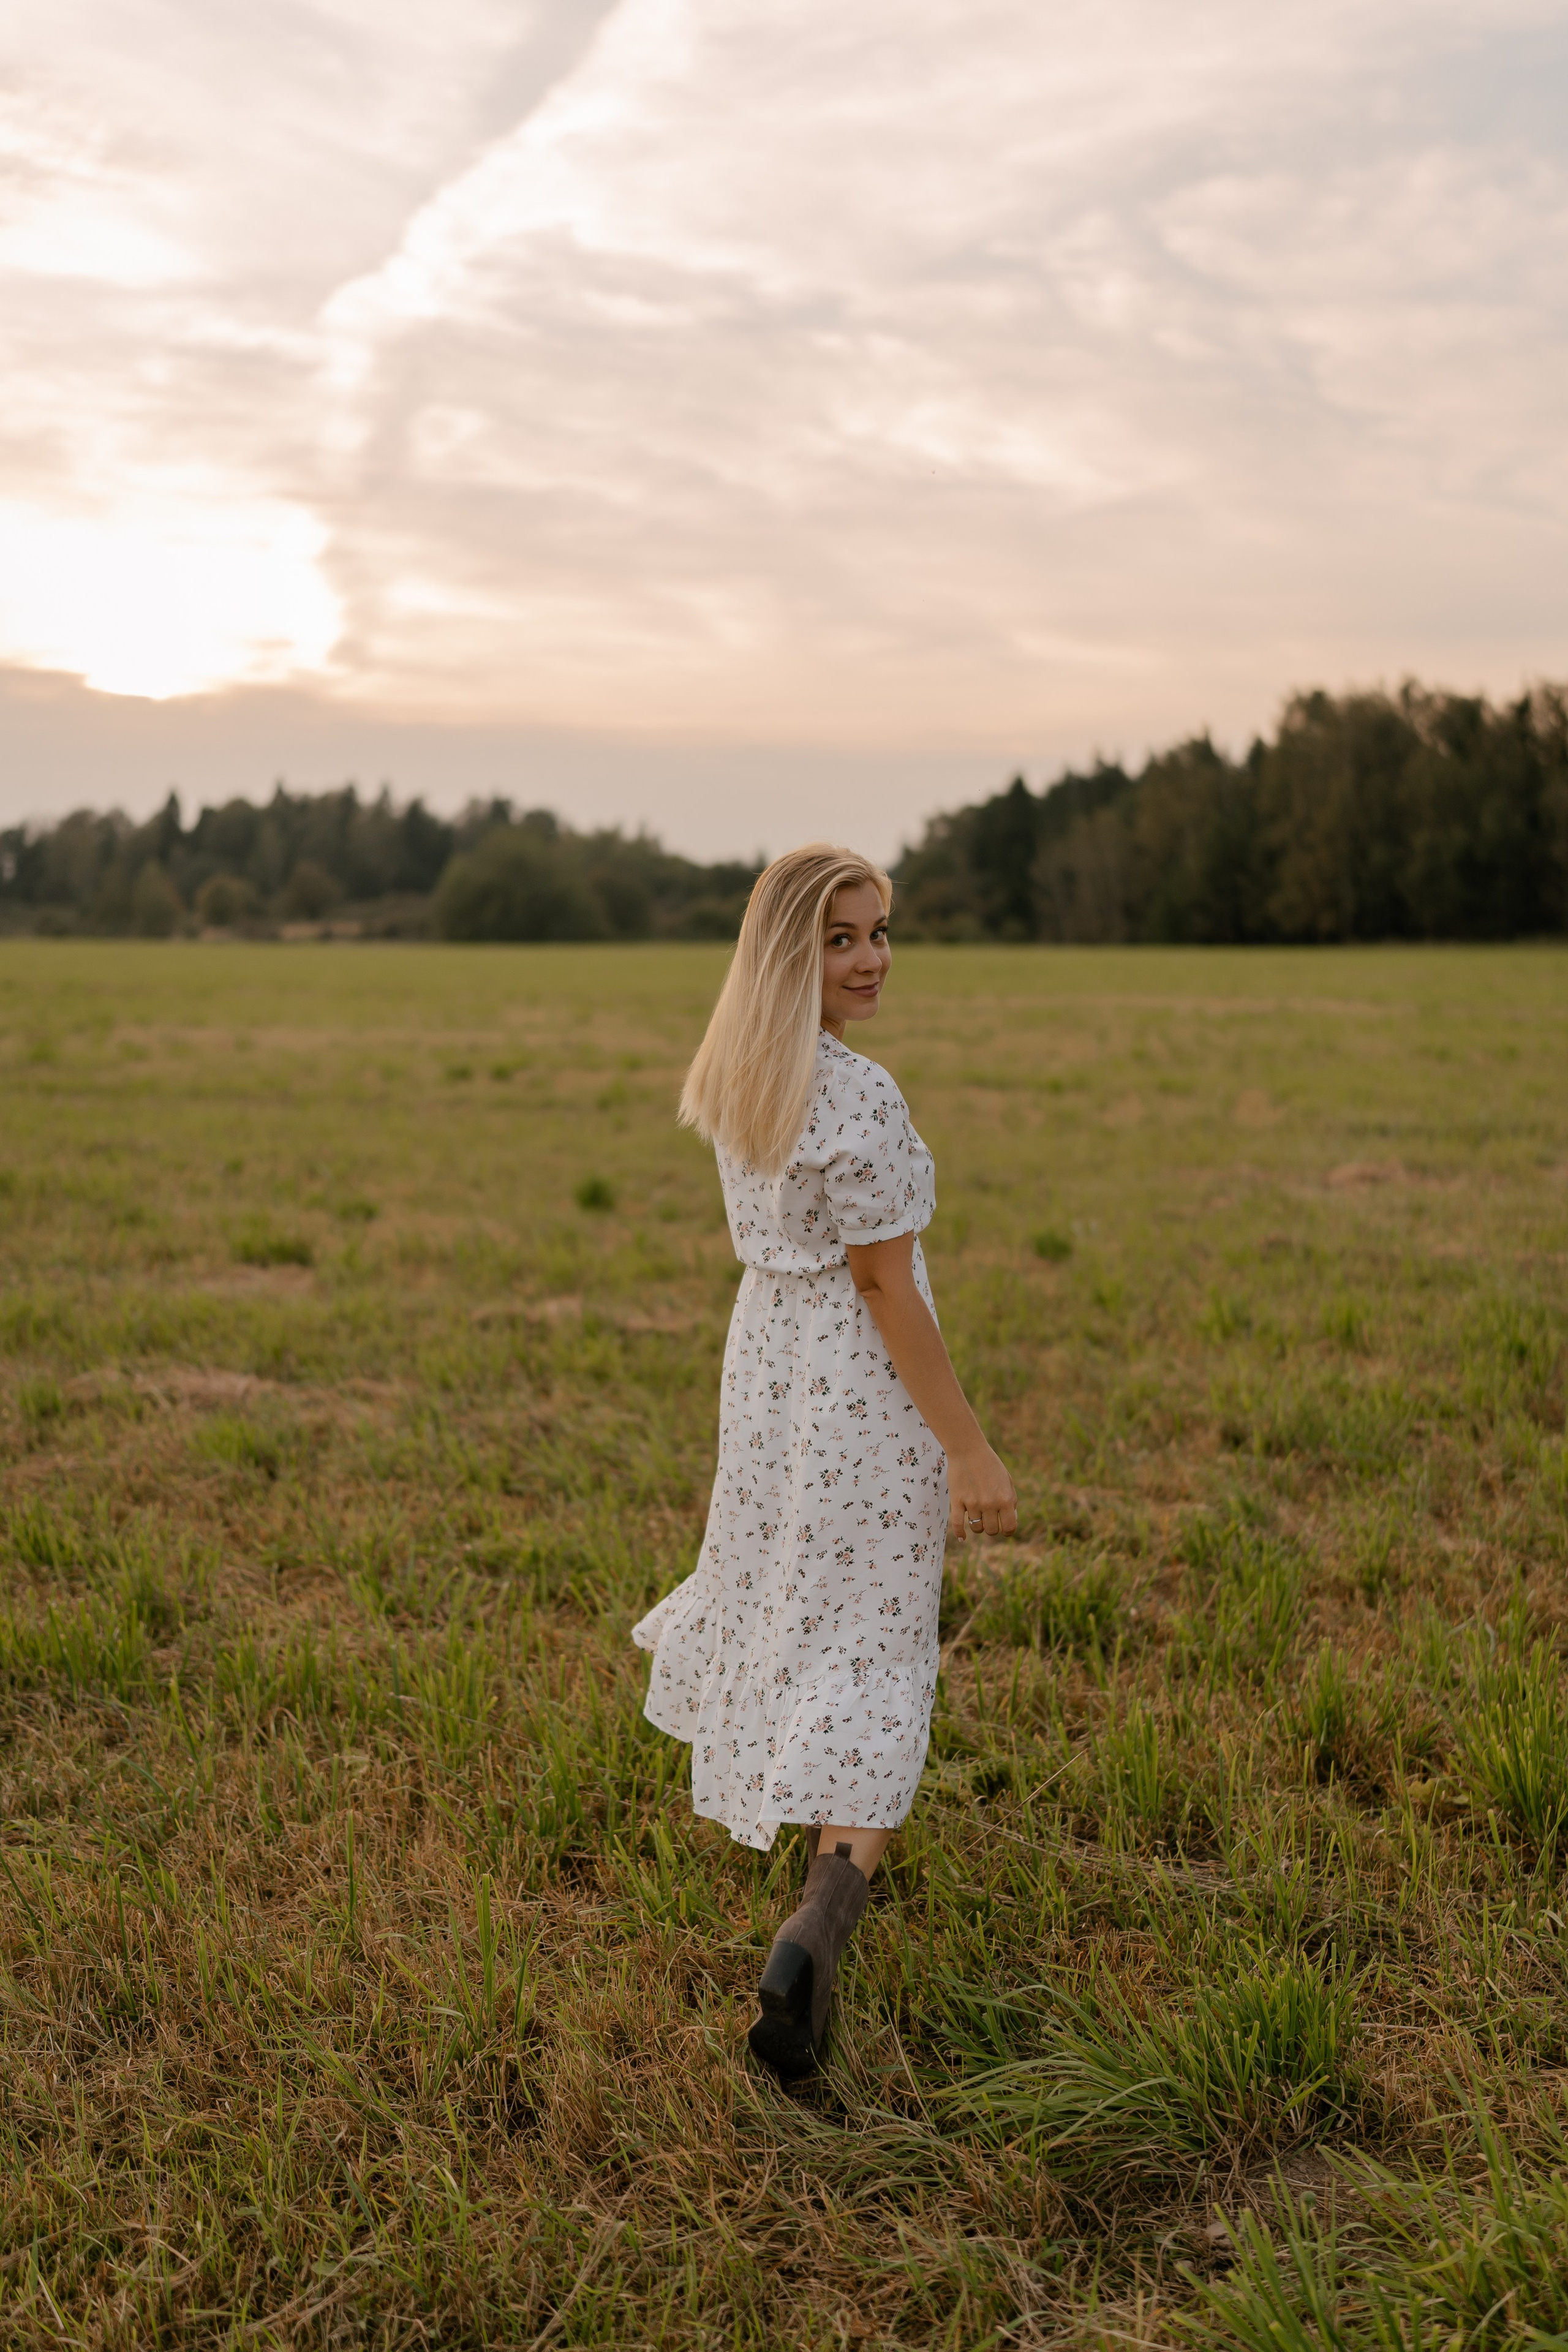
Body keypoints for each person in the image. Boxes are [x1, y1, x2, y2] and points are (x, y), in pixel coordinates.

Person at [632, 843, 1018, 2078]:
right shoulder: (855, 1096)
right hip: (853, 1383)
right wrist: (965, 1444)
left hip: (768, 1377)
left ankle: (814, 1878)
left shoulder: (742, 1075)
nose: (871, 960)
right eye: (840, 938)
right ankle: (820, 1920)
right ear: (787, 952)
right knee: (876, 1639)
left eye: (880, 932)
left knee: (802, 1605)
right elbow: (882, 1286)